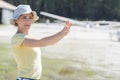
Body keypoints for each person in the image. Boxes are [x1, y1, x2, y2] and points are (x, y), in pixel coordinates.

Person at [10, 5, 72, 80]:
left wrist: (63, 34)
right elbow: (41, 42)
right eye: (24, 17)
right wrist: (61, 33)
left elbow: (48, 42)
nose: (28, 21)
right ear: (16, 20)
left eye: (30, 18)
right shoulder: (17, 38)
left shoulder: (30, 37)